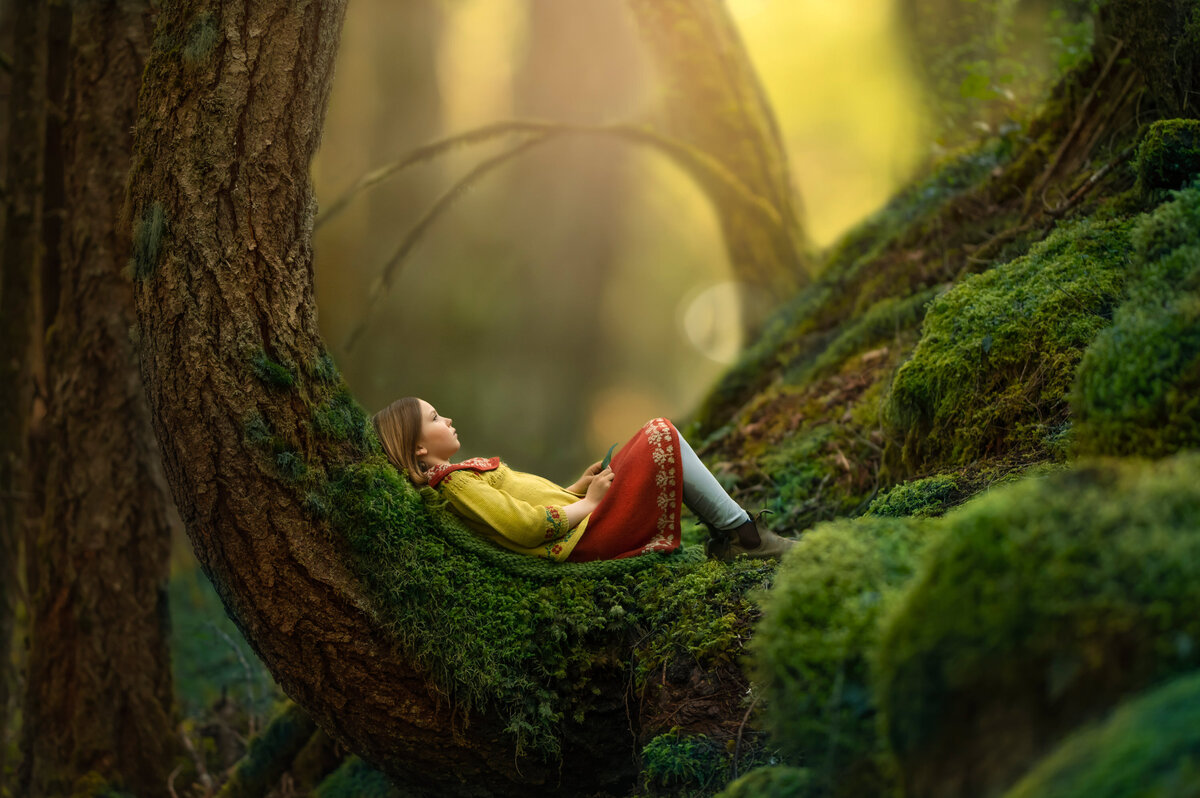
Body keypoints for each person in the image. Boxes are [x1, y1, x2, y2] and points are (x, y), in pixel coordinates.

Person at [371, 397, 794, 563]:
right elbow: (522, 526)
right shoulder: (454, 485)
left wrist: (575, 488)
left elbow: (527, 501)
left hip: (584, 523)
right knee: (660, 433)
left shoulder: (458, 478)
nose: (447, 418)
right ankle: (745, 538)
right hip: (584, 537)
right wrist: (590, 504)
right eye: (433, 418)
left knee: (635, 445)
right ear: (419, 448)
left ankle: (736, 535)